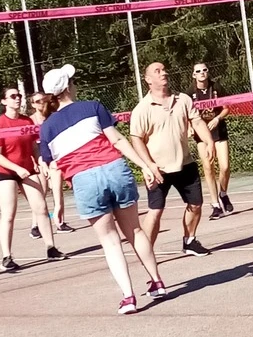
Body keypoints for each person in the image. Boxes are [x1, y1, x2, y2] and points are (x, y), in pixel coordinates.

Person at [37, 64, 167, 314]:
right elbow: (117, 140)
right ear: (68, 87)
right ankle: (157, 282)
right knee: (135, 231)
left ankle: (129, 297)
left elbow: (53, 167)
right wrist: (145, 166)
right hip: (115, 169)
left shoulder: (47, 127)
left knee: (109, 241)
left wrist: (58, 204)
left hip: (84, 180)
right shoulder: (93, 106)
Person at [129, 62, 216, 257]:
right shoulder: (142, 109)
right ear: (148, 80)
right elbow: (136, 139)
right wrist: (149, 165)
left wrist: (209, 141)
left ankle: (190, 241)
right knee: (155, 211)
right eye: (157, 71)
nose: (164, 73)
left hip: (185, 164)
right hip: (158, 169)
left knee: (196, 204)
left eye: (164, 69)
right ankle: (146, 253)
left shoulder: (183, 100)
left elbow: (197, 121)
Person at [0, 85, 66, 270]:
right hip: (6, 171)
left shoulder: (26, 122)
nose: (17, 98)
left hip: (27, 170)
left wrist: (41, 162)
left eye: (19, 95)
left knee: (41, 208)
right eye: (13, 96)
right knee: (9, 214)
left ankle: (51, 248)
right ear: (4, 101)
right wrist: (16, 169)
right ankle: (6, 257)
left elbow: (34, 147)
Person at [27, 92, 76, 234]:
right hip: (39, 159)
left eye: (43, 100)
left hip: (54, 158)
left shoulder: (53, 118)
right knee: (40, 193)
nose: (41, 103)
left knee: (57, 190)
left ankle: (59, 221)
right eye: (37, 101)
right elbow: (29, 145)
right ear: (33, 104)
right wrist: (37, 161)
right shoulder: (30, 121)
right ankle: (35, 225)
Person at [191, 62, 235, 219]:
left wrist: (217, 118)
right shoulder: (190, 93)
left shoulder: (217, 87)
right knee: (208, 168)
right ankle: (215, 205)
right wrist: (190, 127)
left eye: (204, 70)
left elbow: (227, 108)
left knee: (225, 166)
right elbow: (186, 114)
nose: (202, 73)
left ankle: (223, 193)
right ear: (194, 75)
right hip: (202, 134)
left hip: (218, 130)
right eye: (198, 71)